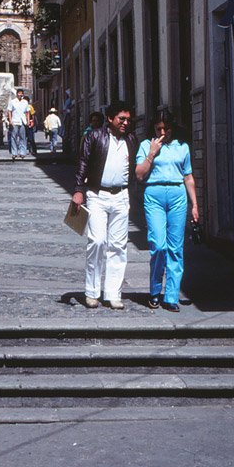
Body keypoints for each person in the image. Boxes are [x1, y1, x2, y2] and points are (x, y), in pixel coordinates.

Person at [70, 100, 138, 310]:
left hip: (121, 196)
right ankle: (92, 292)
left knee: (118, 246)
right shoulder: (95, 136)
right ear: (110, 119)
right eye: (121, 119)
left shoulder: (131, 140)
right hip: (97, 195)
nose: (125, 123)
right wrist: (78, 190)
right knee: (97, 241)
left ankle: (113, 294)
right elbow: (83, 162)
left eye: (128, 119)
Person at [136, 107, 199, 312]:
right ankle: (155, 291)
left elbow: (188, 176)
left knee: (175, 247)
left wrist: (195, 204)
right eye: (158, 129)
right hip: (154, 193)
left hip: (177, 194)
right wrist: (152, 154)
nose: (163, 133)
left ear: (173, 128)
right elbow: (139, 174)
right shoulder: (146, 145)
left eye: (166, 129)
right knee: (158, 245)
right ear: (153, 128)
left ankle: (171, 296)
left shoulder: (182, 147)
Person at [7, 88, 31, 160]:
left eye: (21, 93)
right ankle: (14, 153)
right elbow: (9, 111)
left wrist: (28, 120)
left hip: (22, 121)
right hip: (15, 120)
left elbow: (28, 111)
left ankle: (22, 152)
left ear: (23, 94)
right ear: (17, 94)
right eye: (19, 93)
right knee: (14, 137)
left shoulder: (25, 102)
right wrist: (10, 120)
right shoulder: (12, 102)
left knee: (22, 137)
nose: (20, 95)